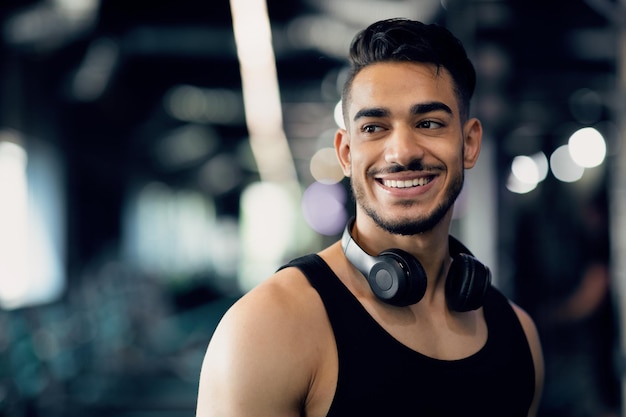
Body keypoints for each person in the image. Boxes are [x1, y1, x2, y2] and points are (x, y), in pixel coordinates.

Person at [196, 17, 544, 417]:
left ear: (468, 143)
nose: (401, 152)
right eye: (374, 127)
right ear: (345, 152)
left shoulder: (519, 336)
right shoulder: (268, 327)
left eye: (428, 123)